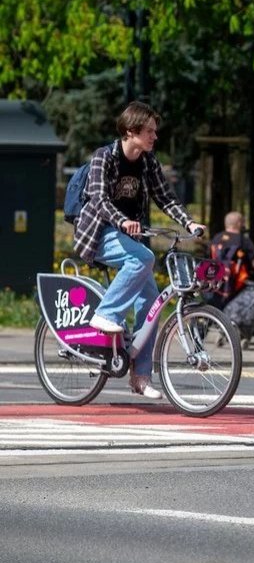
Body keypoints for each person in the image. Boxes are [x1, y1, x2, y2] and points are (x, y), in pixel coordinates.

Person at [75, 101, 205, 400]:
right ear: (131, 131)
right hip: (98, 233)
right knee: (143, 258)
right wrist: (122, 221)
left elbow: (166, 197)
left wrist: (189, 223)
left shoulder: (148, 162)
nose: (154, 137)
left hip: (129, 236)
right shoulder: (104, 157)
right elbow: (99, 199)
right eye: (150, 131)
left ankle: (140, 376)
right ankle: (106, 314)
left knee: (151, 301)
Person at [207, 211, 254, 308]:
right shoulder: (243, 241)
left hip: (215, 285)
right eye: (243, 222)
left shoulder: (216, 238)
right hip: (237, 286)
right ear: (239, 223)